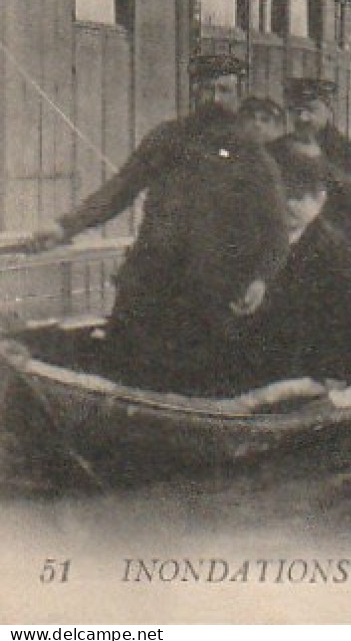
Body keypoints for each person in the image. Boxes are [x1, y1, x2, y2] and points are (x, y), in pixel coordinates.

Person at [28, 54, 286, 394]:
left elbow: (276, 232)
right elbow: (120, 189)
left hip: (208, 296)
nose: (213, 99)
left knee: (195, 383)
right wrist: (65, 227)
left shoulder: (253, 157)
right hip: (150, 284)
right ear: (192, 91)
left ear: (238, 96)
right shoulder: (167, 139)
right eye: (205, 89)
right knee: (126, 370)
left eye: (223, 90)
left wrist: (260, 280)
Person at [246, 147, 351, 384]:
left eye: (299, 197)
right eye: (282, 197)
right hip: (263, 361)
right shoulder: (255, 243)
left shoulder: (335, 250)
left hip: (316, 366)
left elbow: (350, 318)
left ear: (320, 199)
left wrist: (338, 373)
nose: (289, 205)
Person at [271, 76, 351, 241]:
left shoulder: (350, 152)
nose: (303, 118)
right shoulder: (277, 149)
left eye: (311, 110)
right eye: (296, 111)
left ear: (329, 110)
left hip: (335, 248)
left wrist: (322, 166)